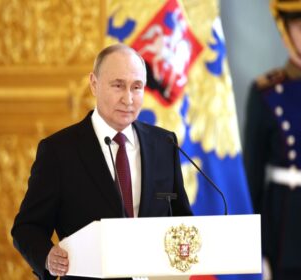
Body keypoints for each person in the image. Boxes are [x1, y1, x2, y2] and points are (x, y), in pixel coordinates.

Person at [11, 44, 192, 280]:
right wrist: (47, 256)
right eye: (118, 85)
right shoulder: (58, 151)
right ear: (94, 84)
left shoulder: (164, 144)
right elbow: (26, 228)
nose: (128, 98)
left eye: (136, 87)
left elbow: (182, 220)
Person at [244, 0, 301, 279]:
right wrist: (256, 249)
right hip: (287, 229)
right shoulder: (267, 93)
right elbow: (253, 176)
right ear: (286, 34)